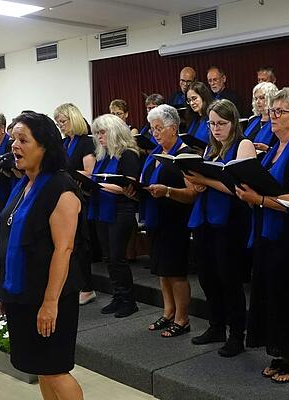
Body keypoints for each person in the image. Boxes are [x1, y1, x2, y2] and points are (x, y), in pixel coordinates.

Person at [0, 111, 85, 400]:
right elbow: (11, 240)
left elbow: (64, 250)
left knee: (55, 368)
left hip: (50, 295)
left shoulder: (61, 189)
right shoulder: (24, 185)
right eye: (13, 139)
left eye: (23, 140)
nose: (14, 146)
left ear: (45, 147)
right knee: (40, 367)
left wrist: (50, 303)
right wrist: (6, 291)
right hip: (23, 294)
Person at [236, 88, 289, 383]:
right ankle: (280, 353)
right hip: (269, 234)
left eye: (278, 112)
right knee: (271, 295)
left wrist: (258, 200)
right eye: (272, 111)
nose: (272, 116)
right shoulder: (274, 148)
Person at [184, 99, 256, 357]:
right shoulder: (210, 149)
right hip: (205, 217)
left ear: (233, 122)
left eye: (221, 123)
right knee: (207, 276)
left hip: (231, 221)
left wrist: (204, 179)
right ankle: (216, 325)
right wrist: (196, 181)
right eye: (212, 123)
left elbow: (241, 190)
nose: (215, 128)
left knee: (229, 279)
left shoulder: (243, 145)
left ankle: (237, 333)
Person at [136, 104, 199, 337]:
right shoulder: (154, 153)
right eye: (152, 129)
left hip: (176, 220)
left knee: (176, 272)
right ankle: (168, 311)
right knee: (162, 271)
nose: (155, 133)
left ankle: (183, 319)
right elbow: (146, 182)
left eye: (159, 128)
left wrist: (168, 191)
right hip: (156, 218)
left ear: (173, 128)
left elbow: (193, 194)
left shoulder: (186, 154)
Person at [89, 114, 141, 318]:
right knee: (108, 258)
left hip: (121, 210)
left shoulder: (128, 154)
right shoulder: (103, 156)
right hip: (103, 209)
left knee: (118, 258)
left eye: (102, 132)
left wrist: (96, 185)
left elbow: (130, 186)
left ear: (115, 132)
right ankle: (118, 296)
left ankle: (129, 300)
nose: (99, 137)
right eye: (96, 133)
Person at [53, 103, 98, 305]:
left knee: (79, 245)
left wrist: (67, 174)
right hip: (66, 196)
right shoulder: (64, 143)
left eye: (63, 121)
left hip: (81, 197)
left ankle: (87, 287)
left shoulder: (86, 142)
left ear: (74, 119)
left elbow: (90, 172)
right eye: (58, 122)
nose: (61, 125)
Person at [244, 82, 279, 153]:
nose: (258, 102)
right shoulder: (253, 120)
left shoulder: (278, 121)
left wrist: (267, 149)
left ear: (271, 99)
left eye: (262, 98)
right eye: (256, 98)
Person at [185, 81, 213, 146]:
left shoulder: (212, 118)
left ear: (203, 97)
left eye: (194, 98)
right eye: (189, 100)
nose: (191, 103)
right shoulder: (193, 118)